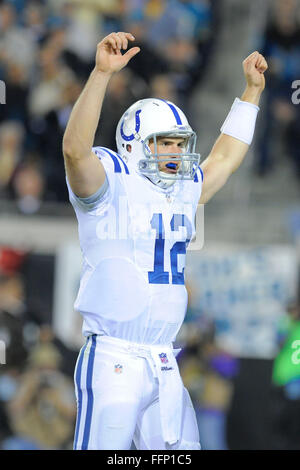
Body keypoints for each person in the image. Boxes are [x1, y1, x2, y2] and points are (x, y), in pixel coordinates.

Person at [62, 31, 267, 450]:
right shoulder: (110, 183)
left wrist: (250, 93)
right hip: (113, 357)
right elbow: (75, 152)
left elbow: (224, 159)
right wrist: (101, 74)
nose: (175, 153)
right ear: (136, 145)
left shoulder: (184, 189)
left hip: (164, 360)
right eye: (164, 144)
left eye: (179, 144)